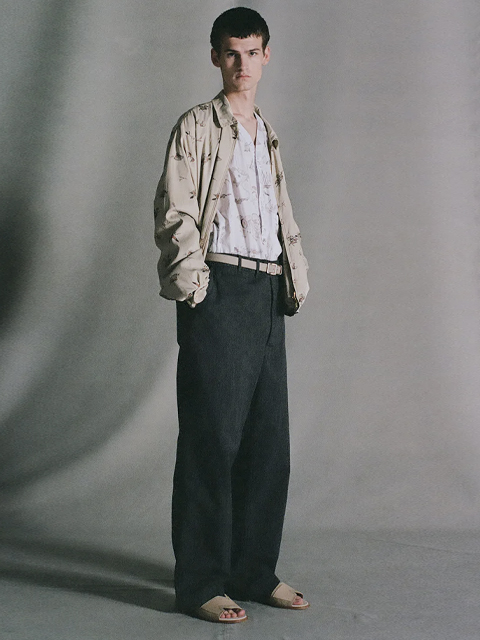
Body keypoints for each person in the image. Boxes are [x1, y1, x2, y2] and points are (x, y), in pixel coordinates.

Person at [154, 7, 309, 624]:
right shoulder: (197, 124)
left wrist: (293, 276)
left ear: (266, 55)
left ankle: (253, 570)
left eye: (252, 52)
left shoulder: (266, 130)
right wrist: (197, 287)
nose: (242, 63)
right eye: (231, 52)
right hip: (219, 287)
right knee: (211, 440)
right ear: (216, 57)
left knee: (269, 445)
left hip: (267, 290)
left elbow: (277, 213)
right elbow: (175, 209)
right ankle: (200, 582)